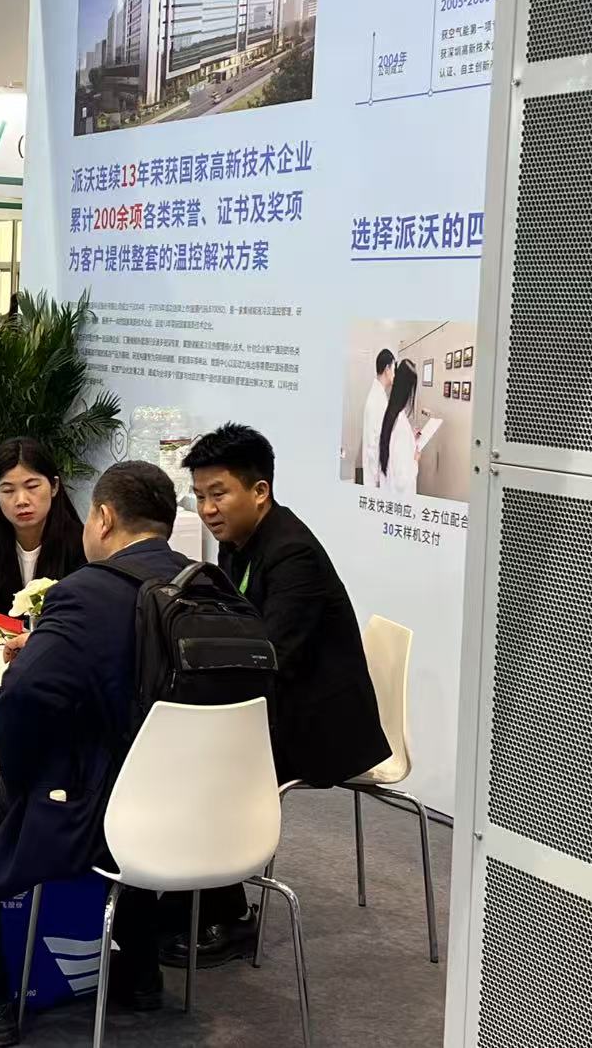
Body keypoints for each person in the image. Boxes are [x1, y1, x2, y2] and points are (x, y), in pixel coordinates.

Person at [0, 461, 186, 1044]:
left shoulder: (91, 591)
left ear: (103, 518)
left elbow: (21, 698)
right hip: (196, 811)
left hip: (101, 813)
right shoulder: (211, 590)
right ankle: (140, 973)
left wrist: (27, 778)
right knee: (132, 773)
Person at [168, 423, 390, 969]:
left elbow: (270, 656)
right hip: (282, 702)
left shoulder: (292, 554)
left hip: (320, 724)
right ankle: (182, 900)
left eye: (218, 494)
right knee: (184, 744)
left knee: (207, 758)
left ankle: (226, 915)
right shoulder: (237, 544)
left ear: (259, 491)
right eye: (199, 497)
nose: (208, 510)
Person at [0, 437, 86, 632]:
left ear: (54, 486)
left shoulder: (82, 545)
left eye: (32, 486)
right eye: (8, 490)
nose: (21, 500)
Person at [378, 358, 420, 496]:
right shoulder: (401, 425)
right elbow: (402, 482)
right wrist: (415, 460)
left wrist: (411, 439)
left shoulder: (391, 412)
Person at [361, 348, 395, 489]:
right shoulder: (377, 400)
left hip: (375, 474)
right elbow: (373, 444)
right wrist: (377, 479)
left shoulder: (379, 395)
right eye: (393, 369)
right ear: (387, 369)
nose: (394, 374)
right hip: (375, 479)